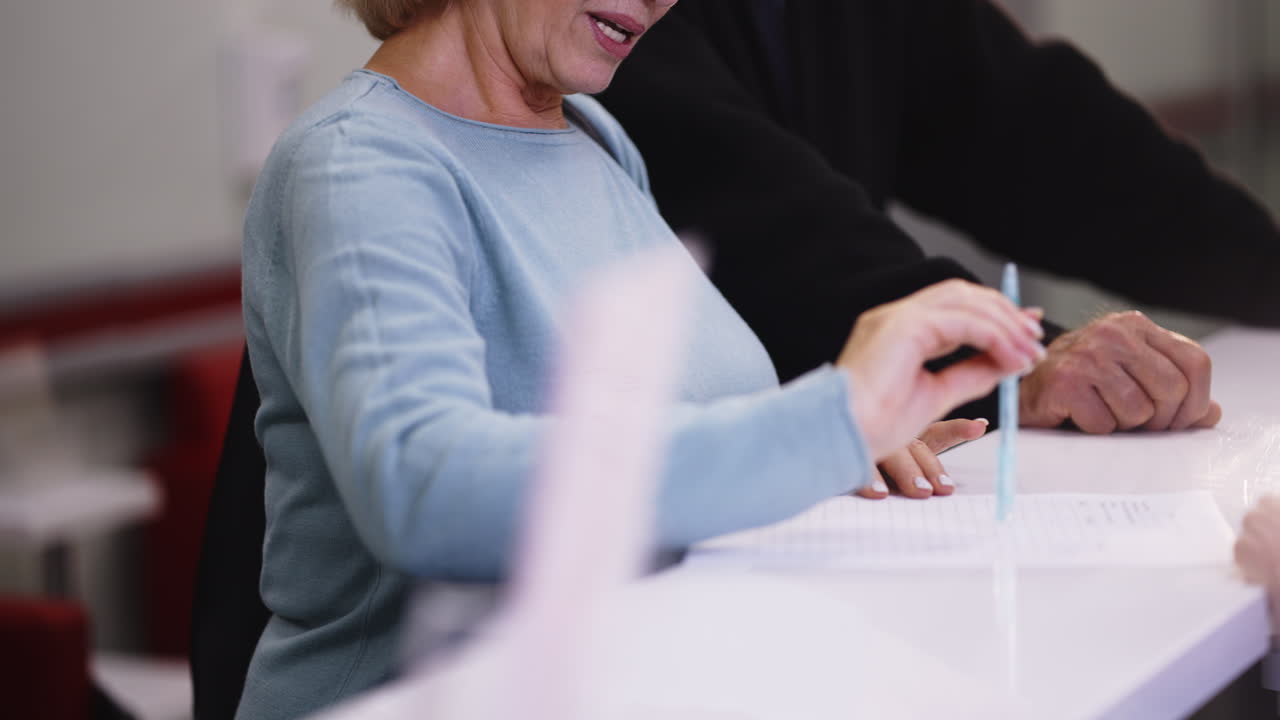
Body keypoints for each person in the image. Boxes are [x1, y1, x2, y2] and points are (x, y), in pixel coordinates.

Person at [234, 0, 1044, 717]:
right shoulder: (359, 166)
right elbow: (425, 489)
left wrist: (832, 449)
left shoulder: (595, 136)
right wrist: (820, 423)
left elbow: (652, 437)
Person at [597, 0, 1280, 453]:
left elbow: (1042, 139)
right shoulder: (604, 19)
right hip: (681, 496)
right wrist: (1016, 361)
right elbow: (759, 220)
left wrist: (1266, 272)